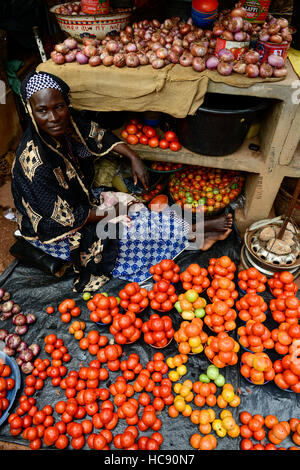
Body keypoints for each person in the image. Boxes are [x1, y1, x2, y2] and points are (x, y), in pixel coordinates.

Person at [11, 71, 233, 292]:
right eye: (42, 110)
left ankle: (191, 232)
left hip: (80, 200)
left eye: (58, 107)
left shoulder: (67, 122)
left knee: (136, 209)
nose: (53, 117)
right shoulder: (35, 164)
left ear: (65, 104)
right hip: (56, 232)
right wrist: (112, 213)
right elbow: (60, 220)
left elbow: (97, 134)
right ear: (31, 112)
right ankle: (194, 232)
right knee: (123, 234)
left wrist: (133, 156)